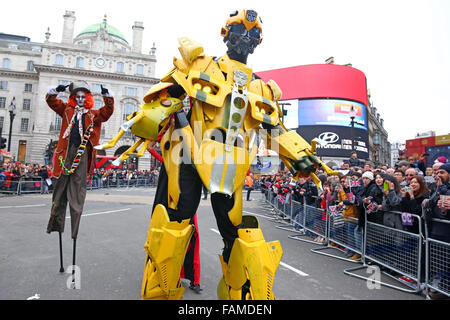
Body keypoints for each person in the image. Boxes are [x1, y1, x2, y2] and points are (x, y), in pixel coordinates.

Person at [139, 9, 338, 300]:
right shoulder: (201, 64)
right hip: (189, 155)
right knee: (175, 223)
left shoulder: (262, 87)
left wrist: (299, 156)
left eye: (252, 35)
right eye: (238, 32)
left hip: (229, 165)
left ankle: (241, 295)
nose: (244, 38)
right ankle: (160, 290)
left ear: (258, 42)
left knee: (236, 233)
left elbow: (274, 127)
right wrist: (151, 117)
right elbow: (168, 95)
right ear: (225, 35)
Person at [45, 81, 114, 275]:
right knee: (59, 194)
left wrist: (107, 95)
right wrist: (56, 90)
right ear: (74, 98)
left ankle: (74, 230)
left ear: (89, 99)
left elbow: (107, 112)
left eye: (84, 97)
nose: (81, 99)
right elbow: (51, 101)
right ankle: (56, 224)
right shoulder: (67, 110)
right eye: (78, 97)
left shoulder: (93, 115)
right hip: (65, 154)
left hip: (82, 155)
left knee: (77, 195)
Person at [422, 163, 450, 299]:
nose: (438, 175)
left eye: (442, 173)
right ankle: (439, 287)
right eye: (437, 173)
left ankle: (442, 289)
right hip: (437, 231)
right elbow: (430, 205)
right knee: (439, 260)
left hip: (445, 232)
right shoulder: (440, 188)